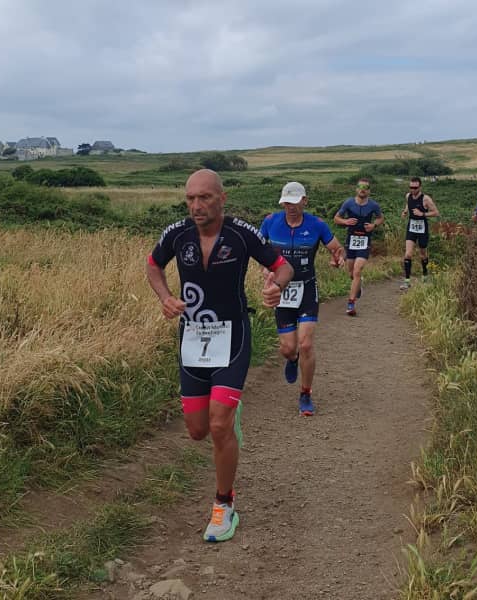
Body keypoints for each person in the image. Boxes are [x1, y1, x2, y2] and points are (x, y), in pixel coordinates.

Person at [146, 169, 294, 543]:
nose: (196, 205)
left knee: (217, 425)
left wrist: (276, 286)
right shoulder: (176, 234)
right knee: (198, 431)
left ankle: (224, 504)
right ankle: (227, 415)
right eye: (190, 198)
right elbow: (153, 264)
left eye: (205, 197)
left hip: (232, 338)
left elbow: (282, 266)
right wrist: (165, 298)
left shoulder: (241, 234)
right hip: (192, 339)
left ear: (222, 198)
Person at [260, 182, 345, 416]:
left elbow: (337, 249)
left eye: (295, 202)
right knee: (288, 348)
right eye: (286, 202)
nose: (290, 207)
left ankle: (305, 393)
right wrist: (265, 269)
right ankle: (293, 358)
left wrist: (338, 258)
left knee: (306, 343)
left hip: (306, 288)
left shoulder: (316, 224)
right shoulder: (270, 222)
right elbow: (257, 250)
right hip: (282, 290)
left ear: (304, 201)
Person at [333, 178, 384, 316]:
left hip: (365, 241)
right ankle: (358, 286)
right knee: (351, 273)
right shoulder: (349, 203)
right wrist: (345, 221)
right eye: (360, 187)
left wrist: (373, 225)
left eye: (365, 187)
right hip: (351, 240)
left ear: (369, 191)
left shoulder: (373, 205)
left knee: (357, 270)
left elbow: (380, 218)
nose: (362, 189)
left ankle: (351, 304)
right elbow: (336, 218)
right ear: (356, 189)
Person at [400, 176, 440, 290]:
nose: (413, 190)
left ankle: (425, 275)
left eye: (415, 187)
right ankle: (407, 281)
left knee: (423, 254)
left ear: (420, 187)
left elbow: (436, 213)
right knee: (408, 254)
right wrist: (405, 211)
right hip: (411, 227)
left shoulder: (426, 199)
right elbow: (408, 204)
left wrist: (422, 214)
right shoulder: (408, 196)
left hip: (422, 228)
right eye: (411, 187)